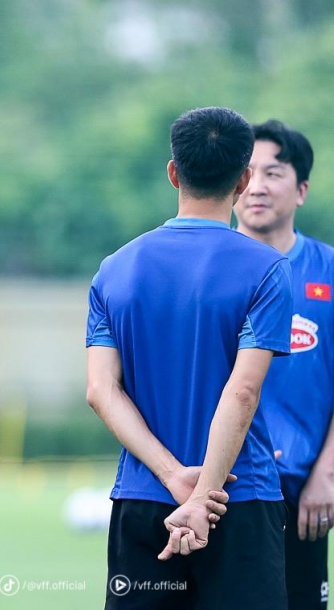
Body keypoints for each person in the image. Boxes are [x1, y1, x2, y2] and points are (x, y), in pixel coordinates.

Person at [85, 106, 294, 608]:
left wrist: (172, 476)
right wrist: (202, 498)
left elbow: (101, 390)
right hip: (239, 500)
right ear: (243, 180)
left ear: (173, 172)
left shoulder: (115, 269)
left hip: (144, 498)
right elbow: (242, 391)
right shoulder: (267, 269)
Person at [235, 119, 333, 609]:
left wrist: (327, 474)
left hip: (302, 494)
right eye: (248, 172)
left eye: (273, 173)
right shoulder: (209, 270)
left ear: (302, 190)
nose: (257, 186)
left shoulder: (329, 272)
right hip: (221, 493)